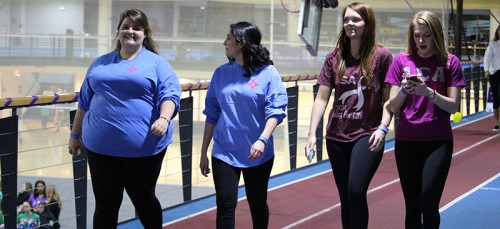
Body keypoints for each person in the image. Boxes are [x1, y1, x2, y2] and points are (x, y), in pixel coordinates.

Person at [67, 8, 182, 229]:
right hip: (100, 149)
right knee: (106, 205)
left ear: (144, 34)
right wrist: (74, 135)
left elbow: (170, 96)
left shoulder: (157, 63)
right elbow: (84, 103)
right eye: (125, 27)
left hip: (143, 150)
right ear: (118, 32)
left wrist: (164, 119)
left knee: (143, 200)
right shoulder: (100, 63)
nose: (130, 31)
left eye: (136, 28)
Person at [304, 2, 393, 228]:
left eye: (356, 19)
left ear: (367, 23)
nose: (350, 24)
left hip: (368, 134)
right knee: (345, 197)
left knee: (356, 189)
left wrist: (383, 127)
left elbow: (388, 99)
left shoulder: (382, 56)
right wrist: (311, 134)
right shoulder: (334, 57)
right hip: (336, 136)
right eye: (346, 20)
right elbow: (322, 97)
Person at [199, 21, 288, 229]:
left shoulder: (268, 73)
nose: (225, 42)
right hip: (224, 151)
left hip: (258, 151)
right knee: (225, 204)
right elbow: (212, 113)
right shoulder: (220, 73)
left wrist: (262, 139)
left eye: (229, 38)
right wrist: (203, 151)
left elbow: (276, 110)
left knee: (257, 203)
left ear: (242, 42)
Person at [384, 11, 465, 228]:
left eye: (427, 36)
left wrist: (427, 92)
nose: (421, 41)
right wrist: (403, 90)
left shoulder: (450, 62)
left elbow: (453, 106)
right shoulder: (401, 61)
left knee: (428, 202)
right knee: (412, 207)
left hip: (438, 142)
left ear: (436, 35)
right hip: (406, 142)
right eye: (417, 35)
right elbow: (391, 106)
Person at [484, 24, 500, 131]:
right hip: (495, 73)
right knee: (496, 98)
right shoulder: (493, 44)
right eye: (499, 30)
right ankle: (497, 123)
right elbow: (487, 57)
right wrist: (486, 70)